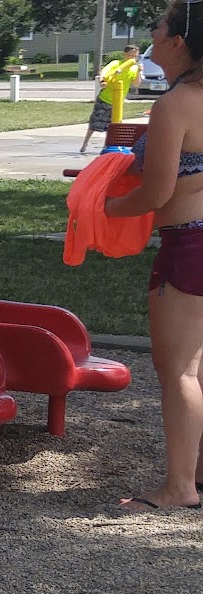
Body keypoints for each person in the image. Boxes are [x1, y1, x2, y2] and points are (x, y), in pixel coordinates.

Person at [107, 4, 203, 512]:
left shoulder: (176, 105)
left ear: (179, 41)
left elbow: (155, 194)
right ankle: (197, 472)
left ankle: (178, 488)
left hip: (189, 245)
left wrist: (103, 206)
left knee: (179, 371)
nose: (152, 32)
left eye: (159, 25)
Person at [85, 44, 146, 154]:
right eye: (130, 55)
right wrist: (102, 81)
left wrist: (138, 71)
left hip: (118, 101)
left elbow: (136, 84)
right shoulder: (116, 64)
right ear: (124, 54)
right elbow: (104, 72)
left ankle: (107, 145)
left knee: (114, 125)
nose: (132, 58)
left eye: (135, 56)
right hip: (105, 98)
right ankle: (85, 144)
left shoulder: (134, 68)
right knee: (95, 122)